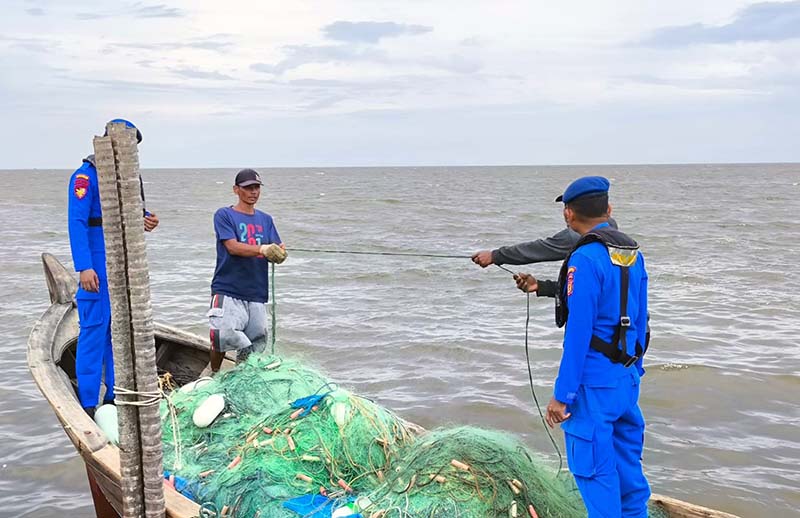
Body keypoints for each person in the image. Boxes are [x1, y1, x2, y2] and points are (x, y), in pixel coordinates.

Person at [513, 176, 650, 517]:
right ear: (609, 209)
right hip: (626, 378)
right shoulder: (630, 253)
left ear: (569, 215)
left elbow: (579, 332)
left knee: (595, 477)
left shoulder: (584, 258)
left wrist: (562, 396)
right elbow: (640, 316)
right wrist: (635, 370)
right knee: (629, 477)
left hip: (592, 387)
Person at [68, 118, 159, 417]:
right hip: (95, 262)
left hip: (121, 266)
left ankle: (113, 398)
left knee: (117, 331)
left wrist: (146, 219)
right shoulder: (85, 177)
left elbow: (132, 211)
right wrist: (84, 267)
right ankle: (88, 402)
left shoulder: (125, 178)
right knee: (94, 329)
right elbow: (77, 223)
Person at [207, 168, 286, 373]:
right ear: (236, 190)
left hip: (256, 291)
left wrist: (280, 253)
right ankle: (214, 374)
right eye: (248, 188)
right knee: (222, 335)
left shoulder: (266, 219)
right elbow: (232, 247)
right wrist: (262, 248)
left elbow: (278, 247)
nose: (253, 192)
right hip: (228, 287)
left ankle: (243, 377)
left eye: (257, 187)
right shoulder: (224, 215)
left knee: (255, 342)